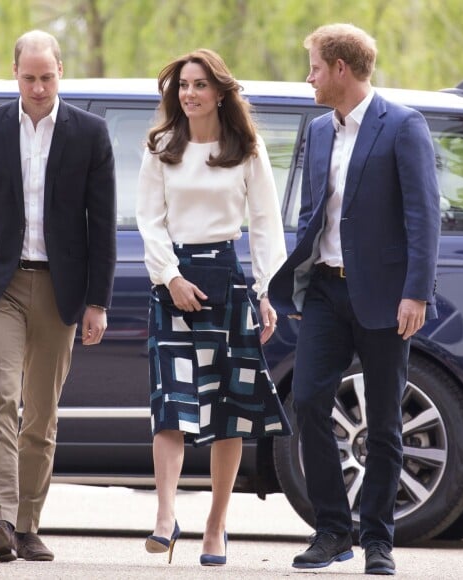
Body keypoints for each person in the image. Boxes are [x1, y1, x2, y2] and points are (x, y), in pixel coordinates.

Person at [268, 24, 441, 575]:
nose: (309, 77)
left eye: (315, 67)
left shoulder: (403, 126)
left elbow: (423, 216)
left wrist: (416, 292)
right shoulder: (320, 130)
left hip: (387, 298)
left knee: (385, 421)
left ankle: (378, 541)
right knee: (311, 403)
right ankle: (332, 531)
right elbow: (310, 210)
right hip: (324, 289)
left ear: (341, 68)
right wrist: (296, 280)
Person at [0, 30, 116, 562]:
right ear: (15, 73)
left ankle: (27, 525)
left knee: (40, 414)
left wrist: (98, 301)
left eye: (47, 77)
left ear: (60, 72)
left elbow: (102, 225)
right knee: (0, 397)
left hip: (59, 287)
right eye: (30, 78)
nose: (39, 87)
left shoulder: (90, 133)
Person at [136, 48, 291, 567]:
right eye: (183, 85)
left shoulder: (246, 148)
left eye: (200, 84)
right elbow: (149, 221)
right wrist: (171, 276)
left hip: (227, 281)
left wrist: (270, 291)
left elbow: (266, 223)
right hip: (173, 284)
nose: (190, 93)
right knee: (171, 405)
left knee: (228, 412)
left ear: (220, 92)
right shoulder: (161, 146)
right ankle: (165, 517)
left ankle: (216, 526)